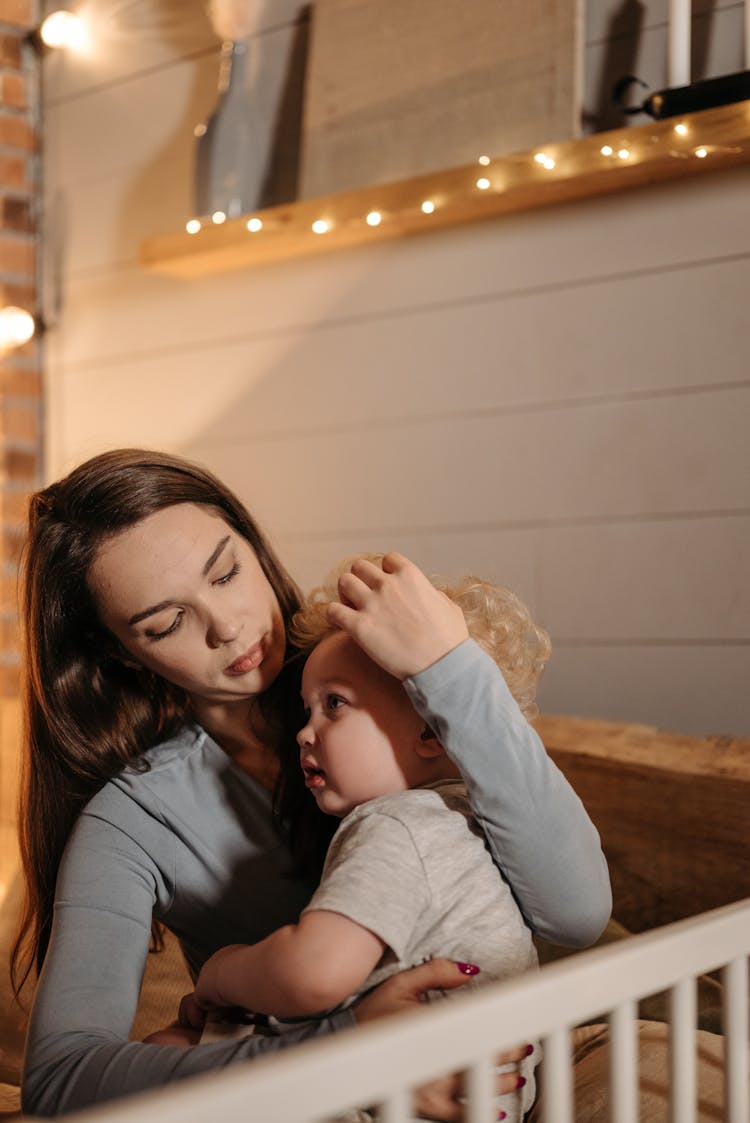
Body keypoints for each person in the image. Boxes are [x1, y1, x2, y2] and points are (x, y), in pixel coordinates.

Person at [12, 448, 611, 1119]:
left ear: (252, 542)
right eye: (167, 622)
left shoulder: (378, 679)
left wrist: (453, 667)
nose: (229, 625)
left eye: (227, 572)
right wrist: (345, 1052)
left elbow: (577, 912)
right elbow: (59, 1078)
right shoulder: (128, 819)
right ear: (122, 651)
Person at [179, 563, 548, 1123]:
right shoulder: (474, 825)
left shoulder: (397, 826)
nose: (304, 732)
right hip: (467, 1095)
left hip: (395, 1094)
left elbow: (316, 973)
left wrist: (223, 970)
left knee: (168, 1057)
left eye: (335, 704)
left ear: (429, 730)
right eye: (307, 709)